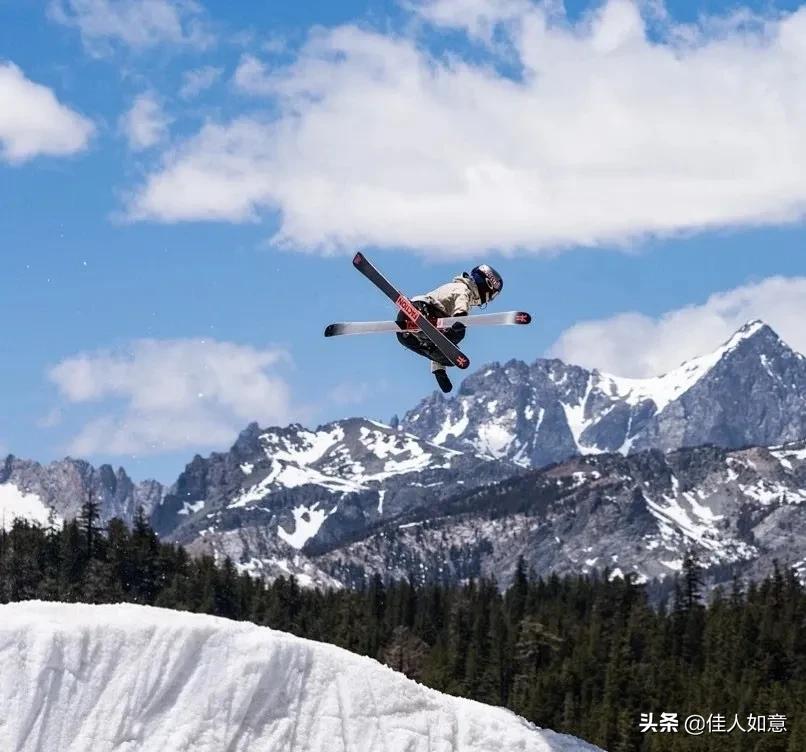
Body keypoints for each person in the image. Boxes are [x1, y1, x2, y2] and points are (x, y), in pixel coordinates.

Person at [396, 264, 503, 393]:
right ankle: (419, 325)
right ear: (487, 285)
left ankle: (416, 335)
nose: (489, 300)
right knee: (459, 333)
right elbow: (461, 300)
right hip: (425, 309)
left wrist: (439, 371)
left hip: (405, 329)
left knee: (451, 358)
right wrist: (460, 317)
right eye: (492, 296)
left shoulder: (458, 287)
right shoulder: (463, 288)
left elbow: (442, 342)